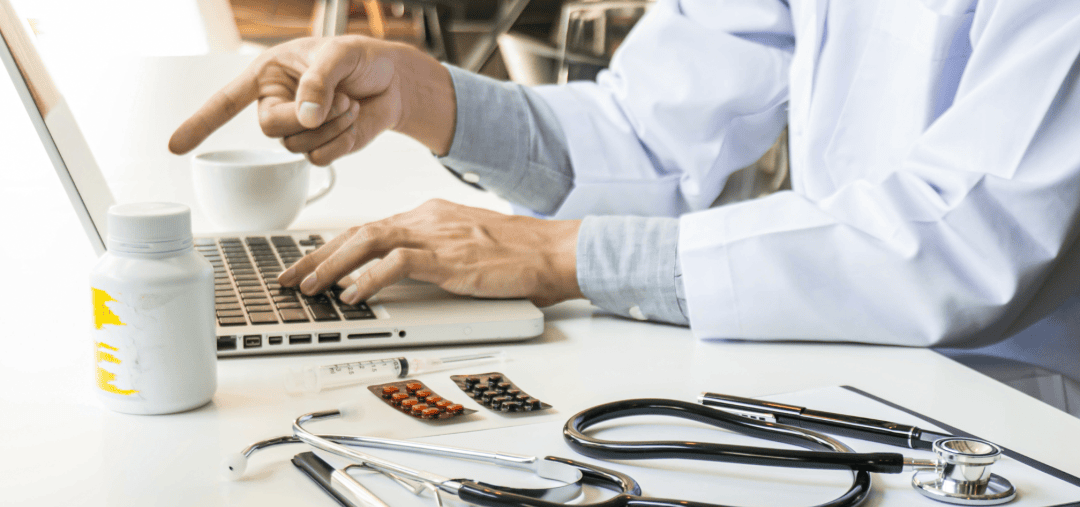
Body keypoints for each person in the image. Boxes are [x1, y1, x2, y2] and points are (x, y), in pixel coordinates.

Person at [169, 0, 1080, 385]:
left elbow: (977, 237)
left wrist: (560, 255)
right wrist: (421, 94)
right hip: (867, 370)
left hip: (1026, 421)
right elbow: (654, 129)